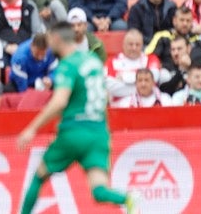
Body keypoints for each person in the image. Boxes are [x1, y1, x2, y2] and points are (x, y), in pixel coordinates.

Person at [16, 22, 137, 214]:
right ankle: (127, 198)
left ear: (56, 38)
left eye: (49, 40)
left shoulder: (68, 64)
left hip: (74, 131)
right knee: (99, 190)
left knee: (39, 175)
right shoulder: (93, 61)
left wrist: (32, 128)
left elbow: (59, 101)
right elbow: (104, 97)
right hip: (99, 132)